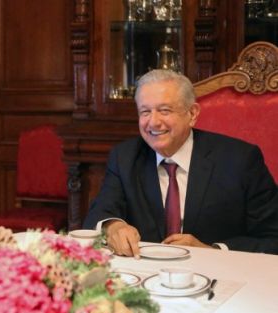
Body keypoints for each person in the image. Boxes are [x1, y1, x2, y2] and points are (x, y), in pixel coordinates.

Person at [83, 69, 278, 258]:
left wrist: (213, 251)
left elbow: (272, 237)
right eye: (145, 112)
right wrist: (113, 226)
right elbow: (99, 212)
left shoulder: (240, 160)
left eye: (164, 110)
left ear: (192, 114)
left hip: (218, 276)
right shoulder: (124, 157)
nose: (153, 122)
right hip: (145, 275)